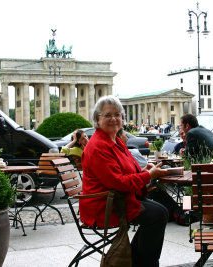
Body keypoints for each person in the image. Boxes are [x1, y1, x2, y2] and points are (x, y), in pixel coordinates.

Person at [80, 95, 174, 267]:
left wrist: (145, 170)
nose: (114, 119)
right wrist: (149, 176)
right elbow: (118, 182)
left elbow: (128, 168)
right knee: (158, 215)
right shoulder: (99, 145)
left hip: (119, 198)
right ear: (97, 119)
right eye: (108, 115)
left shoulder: (114, 139)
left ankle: (139, 262)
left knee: (161, 211)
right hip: (105, 205)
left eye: (118, 114)